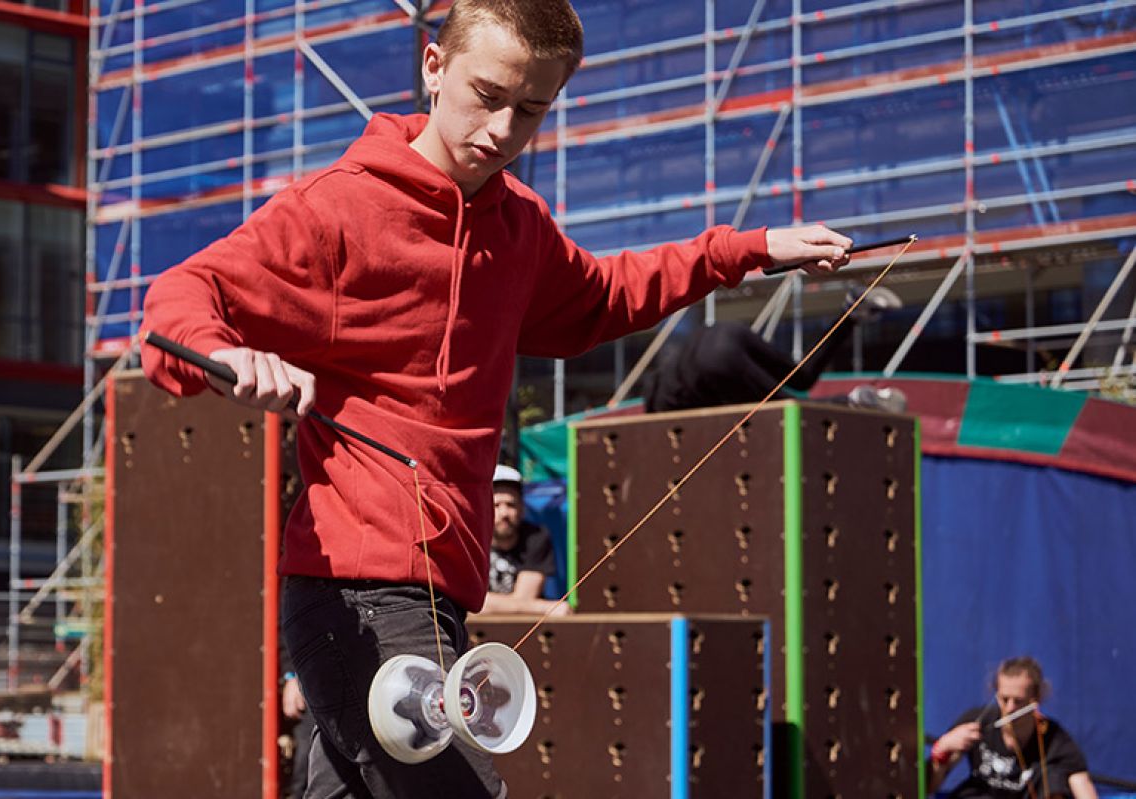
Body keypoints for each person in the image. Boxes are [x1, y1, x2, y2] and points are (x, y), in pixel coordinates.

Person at [141, 1, 855, 794]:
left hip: (442, 590)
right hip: (362, 589)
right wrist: (221, 353)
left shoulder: (519, 226)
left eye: (531, 110)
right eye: (487, 96)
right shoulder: (333, 211)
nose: (503, 130)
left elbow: (605, 296)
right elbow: (179, 296)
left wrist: (746, 251)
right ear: (432, 66)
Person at [642, 287, 905, 414]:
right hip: (722, 332)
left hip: (715, 362)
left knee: (784, 408)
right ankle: (851, 311)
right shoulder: (661, 384)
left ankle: (856, 401)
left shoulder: (665, 414)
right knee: (801, 376)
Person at [930, 656, 1098, 799]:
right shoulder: (976, 723)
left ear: (1035, 700)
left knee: (1052, 776)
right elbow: (927, 788)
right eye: (1004, 699)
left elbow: (1083, 787)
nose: (1010, 708)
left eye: (1018, 701)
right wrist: (942, 750)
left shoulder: (1055, 739)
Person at [479, 464, 571, 617]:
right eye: (496, 505)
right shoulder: (472, 540)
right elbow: (469, 605)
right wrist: (543, 608)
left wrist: (487, 604)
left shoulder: (535, 537)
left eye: (511, 505)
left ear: (522, 508)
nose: (504, 513)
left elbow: (524, 599)